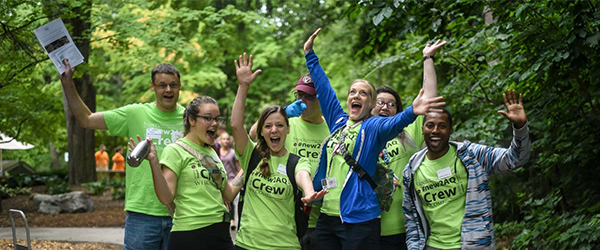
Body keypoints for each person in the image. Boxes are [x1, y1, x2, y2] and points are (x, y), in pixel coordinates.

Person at [303, 28, 445, 250]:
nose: (356, 96)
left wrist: (411, 111)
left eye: (363, 93)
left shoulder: (373, 127)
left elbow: (395, 123)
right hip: (328, 218)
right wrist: (310, 54)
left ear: (370, 105)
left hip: (360, 220)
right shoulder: (338, 122)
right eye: (352, 92)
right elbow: (325, 89)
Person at [60, 59, 184, 250]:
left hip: (181, 213)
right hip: (142, 214)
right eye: (162, 85)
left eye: (173, 85)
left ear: (179, 86)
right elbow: (87, 120)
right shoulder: (135, 113)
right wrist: (67, 84)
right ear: (153, 87)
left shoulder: (190, 119)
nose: (168, 90)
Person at [402, 90, 531, 250]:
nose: (435, 130)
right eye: (430, 125)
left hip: (473, 245)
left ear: (450, 130)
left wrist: (520, 127)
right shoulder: (411, 170)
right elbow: (411, 219)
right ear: (422, 130)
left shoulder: (471, 156)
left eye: (442, 126)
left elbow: (515, 159)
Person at [231, 53, 328, 250]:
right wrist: (243, 87)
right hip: (247, 244)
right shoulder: (252, 154)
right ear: (262, 131)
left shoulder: (297, 162)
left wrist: (309, 193)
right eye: (268, 126)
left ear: (288, 129)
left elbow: (304, 176)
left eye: (279, 126)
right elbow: (235, 125)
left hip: (285, 245)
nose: (274, 130)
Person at [130, 96, 243, 250]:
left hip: (221, 234)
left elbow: (228, 194)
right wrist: (154, 163)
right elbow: (165, 197)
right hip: (191, 235)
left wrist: (249, 165)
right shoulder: (175, 150)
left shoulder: (211, 152)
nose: (215, 123)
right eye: (208, 118)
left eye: (217, 119)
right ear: (192, 120)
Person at [376, 40, 446, 250]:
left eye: (391, 104)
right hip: (369, 227)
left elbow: (430, 98)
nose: (385, 107)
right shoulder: (360, 135)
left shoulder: (407, 132)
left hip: (406, 227)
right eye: (380, 102)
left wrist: (427, 58)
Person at [219, 131, 242, 229]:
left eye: (228, 139)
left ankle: (232, 220)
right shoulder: (216, 152)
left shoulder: (233, 153)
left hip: (231, 180)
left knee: (230, 200)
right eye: (224, 139)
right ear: (220, 140)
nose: (226, 141)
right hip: (221, 181)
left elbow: (239, 168)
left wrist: (239, 180)